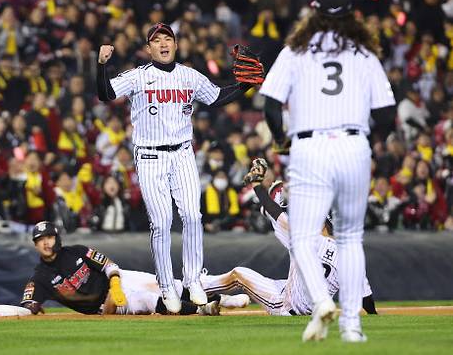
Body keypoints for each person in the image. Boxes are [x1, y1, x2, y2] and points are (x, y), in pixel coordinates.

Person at [96, 22, 264, 312]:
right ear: (149, 49)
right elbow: (106, 94)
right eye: (157, 40)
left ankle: (193, 279)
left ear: (175, 45)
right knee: (161, 222)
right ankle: (165, 286)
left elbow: (218, 97)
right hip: (149, 155)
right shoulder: (138, 77)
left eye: (168, 38)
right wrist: (100, 66)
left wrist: (246, 86)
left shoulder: (189, 75)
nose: (163, 43)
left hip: (183, 152)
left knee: (192, 214)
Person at [260, 0, 396, 342]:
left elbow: (271, 105)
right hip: (353, 145)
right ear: (350, 14)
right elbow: (387, 113)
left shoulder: (296, 50)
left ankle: (321, 301)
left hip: (311, 146)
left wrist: (279, 139)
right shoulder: (363, 52)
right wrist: (367, 140)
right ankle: (352, 326)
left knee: (303, 236)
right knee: (350, 239)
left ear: (314, 11)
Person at [213, 158, 377, 317]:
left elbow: (278, 214)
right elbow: (365, 298)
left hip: (286, 306)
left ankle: (196, 291)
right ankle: (210, 298)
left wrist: (257, 186)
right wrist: (374, 314)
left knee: (238, 274)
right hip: (301, 301)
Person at [19, 221, 250, 316]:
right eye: (40, 239)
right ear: (35, 245)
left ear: (57, 238)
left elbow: (109, 265)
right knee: (149, 300)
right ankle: (203, 311)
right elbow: (28, 304)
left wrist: (116, 282)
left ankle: (224, 300)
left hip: (118, 281)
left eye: (49, 237)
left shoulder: (77, 251)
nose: (46, 242)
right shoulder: (40, 277)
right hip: (105, 305)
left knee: (170, 286)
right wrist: (32, 307)